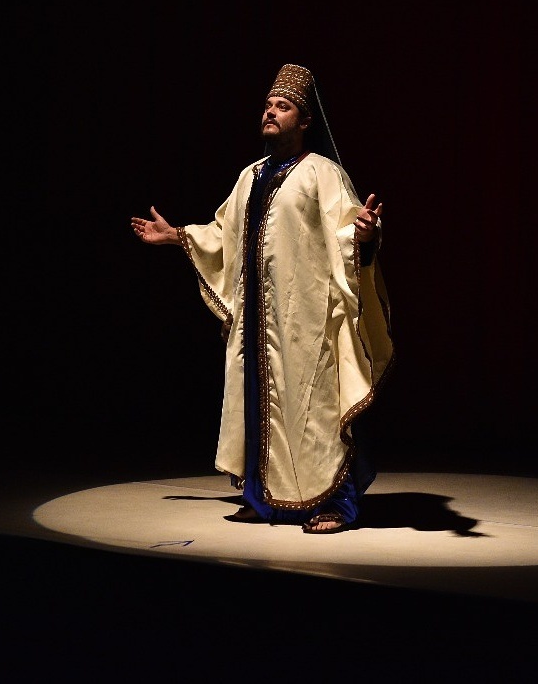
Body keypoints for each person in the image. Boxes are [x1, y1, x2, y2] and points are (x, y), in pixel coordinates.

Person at [131, 63, 394, 533]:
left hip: (307, 318)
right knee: (257, 406)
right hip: (256, 320)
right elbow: (225, 236)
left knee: (315, 409)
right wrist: (177, 235)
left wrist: (365, 234)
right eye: (268, 105)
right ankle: (265, 499)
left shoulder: (323, 173)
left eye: (283, 106)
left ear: (305, 120)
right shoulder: (249, 176)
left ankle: (334, 503)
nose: (271, 112)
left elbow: (347, 232)